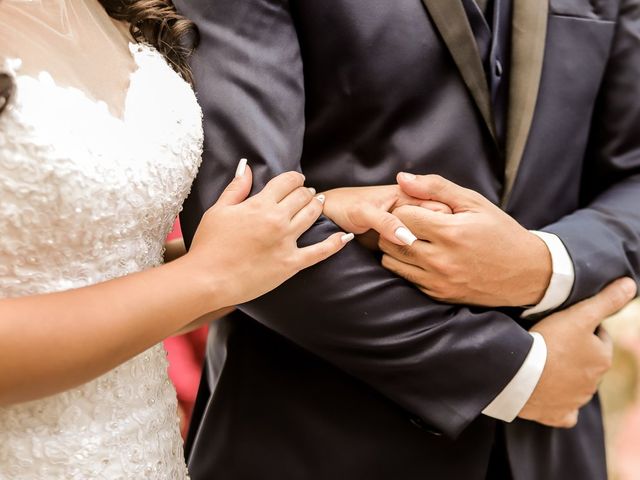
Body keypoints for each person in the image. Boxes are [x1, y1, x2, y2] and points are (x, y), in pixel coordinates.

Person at [176, 0, 640, 478]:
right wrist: (512, 372)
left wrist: (544, 265)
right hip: (314, 437)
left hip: (556, 445)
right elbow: (240, 219)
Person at [0, 1, 353, 477]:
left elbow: (117, 277)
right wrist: (208, 274)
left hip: (149, 454)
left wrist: (315, 213)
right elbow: (204, 279)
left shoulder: (126, 8)